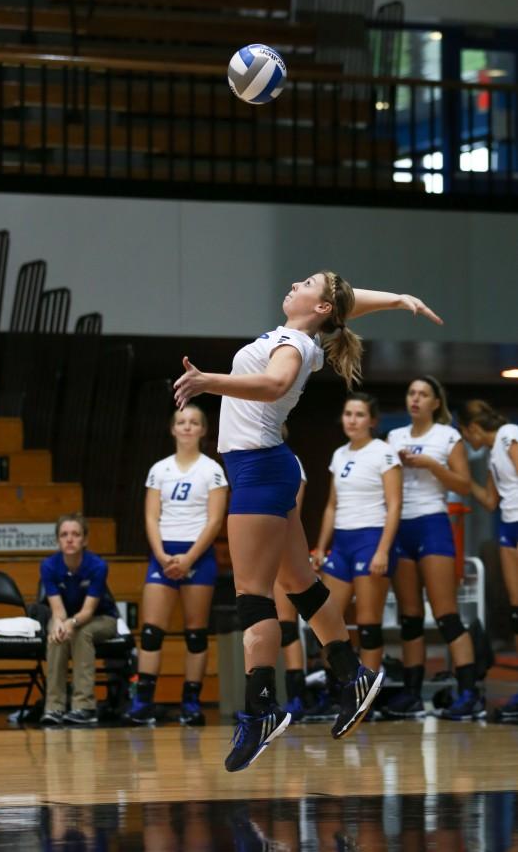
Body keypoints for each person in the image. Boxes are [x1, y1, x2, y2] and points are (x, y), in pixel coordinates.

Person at [173, 270, 442, 771]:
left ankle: (261, 709)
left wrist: (210, 381)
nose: (295, 283)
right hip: (264, 466)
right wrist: (399, 297)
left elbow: (275, 384)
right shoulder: (309, 332)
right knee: (298, 582)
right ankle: (351, 674)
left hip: (258, 471)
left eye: (307, 283)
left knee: (253, 595)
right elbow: (343, 302)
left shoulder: (294, 342)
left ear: (318, 308)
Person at [382, 376, 483, 721]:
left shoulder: (448, 436)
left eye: (423, 394)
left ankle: (469, 692)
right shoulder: (394, 437)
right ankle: (411, 694)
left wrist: (431, 465)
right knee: (409, 618)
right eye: (411, 392)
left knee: (445, 615)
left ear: (435, 403)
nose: (416, 399)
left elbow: (465, 485)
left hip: (433, 522)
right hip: (401, 525)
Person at [125, 405, 228, 727]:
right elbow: (150, 516)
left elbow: (215, 520)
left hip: (197, 554)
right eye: (181, 422)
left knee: (196, 634)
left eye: (194, 422)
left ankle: (191, 703)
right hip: (163, 553)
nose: (187, 427)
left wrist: (189, 558)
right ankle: (143, 702)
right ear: (172, 429)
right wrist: (161, 554)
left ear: (202, 430)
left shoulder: (212, 471)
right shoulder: (159, 470)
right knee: (152, 632)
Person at [313, 393, 402, 684]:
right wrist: (322, 547)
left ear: (372, 421)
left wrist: (382, 551)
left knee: (367, 622)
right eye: (348, 413)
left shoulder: (383, 453)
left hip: (371, 539)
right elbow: (331, 505)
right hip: (341, 543)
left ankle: (368, 692)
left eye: (360, 414)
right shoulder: (339, 454)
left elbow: (394, 504)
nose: (352, 420)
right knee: (327, 621)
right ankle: (336, 688)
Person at [459, 399, 518, 722]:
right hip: (508, 524)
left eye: (466, 435)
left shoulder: (509, 433)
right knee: (516, 610)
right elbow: (490, 500)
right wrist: (455, 475)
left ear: (473, 429)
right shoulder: (495, 452)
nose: (468, 441)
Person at [40, 513, 118, 726]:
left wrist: (71, 624)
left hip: (101, 618)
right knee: (56, 635)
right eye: (64, 534)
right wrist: (60, 624)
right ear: (57, 540)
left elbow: (88, 611)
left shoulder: (97, 566)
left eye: (76, 534)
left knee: (82, 632)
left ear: (85, 540)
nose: (70, 539)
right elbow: (57, 610)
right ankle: (54, 707)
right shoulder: (48, 566)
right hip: (65, 615)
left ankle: (84, 707)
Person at [274, 424, 310, 723]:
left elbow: (292, 510)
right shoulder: (250, 457)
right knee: (258, 623)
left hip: (281, 545)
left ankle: (297, 696)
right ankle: (260, 701)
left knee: (287, 625)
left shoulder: (290, 460)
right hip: (258, 550)